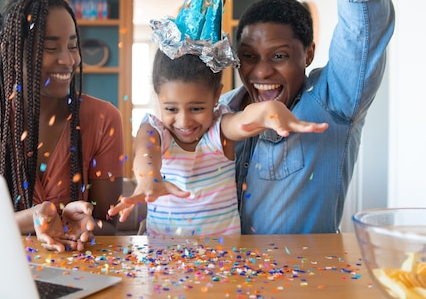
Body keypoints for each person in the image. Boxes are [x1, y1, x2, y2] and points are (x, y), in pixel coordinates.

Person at [112, 0, 395, 235]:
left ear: (307, 53)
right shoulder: (217, 111)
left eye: (279, 56)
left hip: (297, 284)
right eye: (248, 57)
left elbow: (365, 16)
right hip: (213, 282)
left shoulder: (331, 102)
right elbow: (157, 149)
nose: (261, 70)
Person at [0, 0, 124, 251]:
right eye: (51, 48)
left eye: (73, 46)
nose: (68, 59)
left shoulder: (104, 118)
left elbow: (109, 225)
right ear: (14, 52)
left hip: (77, 271)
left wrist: (75, 224)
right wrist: (33, 218)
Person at [117, 50, 327, 236]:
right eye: (171, 109)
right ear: (158, 97)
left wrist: (267, 111)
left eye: (196, 109)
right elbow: (145, 152)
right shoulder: (155, 130)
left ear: (217, 95)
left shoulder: (219, 130)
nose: (184, 121)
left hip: (222, 260)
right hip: (164, 258)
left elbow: (243, 121)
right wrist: (148, 179)